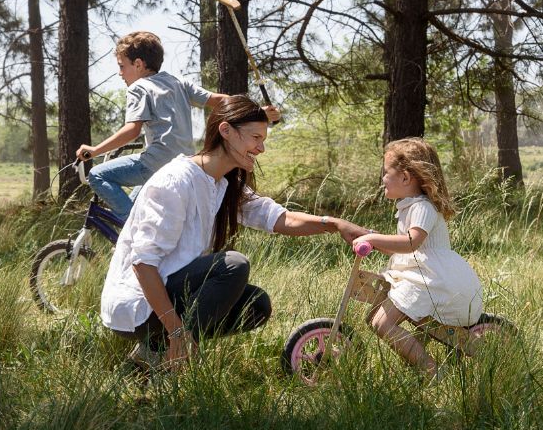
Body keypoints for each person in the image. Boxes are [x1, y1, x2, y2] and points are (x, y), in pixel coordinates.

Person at [99, 95, 367, 371]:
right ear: (226, 130)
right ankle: (171, 350)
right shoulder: (175, 181)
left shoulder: (223, 182)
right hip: (138, 304)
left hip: (168, 293)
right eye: (255, 138)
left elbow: (279, 218)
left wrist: (334, 224)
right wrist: (177, 332)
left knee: (256, 305)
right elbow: (143, 265)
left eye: (263, 140)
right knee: (233, 266)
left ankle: (150, 353)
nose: (261, 148)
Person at [77, 31, 278, 222]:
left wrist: (95, 151)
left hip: (156, 163)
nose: (120, 73)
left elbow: (133, 129)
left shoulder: (138, 88)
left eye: (122, 66)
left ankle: (131, 228)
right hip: (185, 163)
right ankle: (141, 225)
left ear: (138, 64)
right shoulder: (177, 81)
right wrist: (257, 109)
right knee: (140, 199)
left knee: (97, 174)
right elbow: (218, 100)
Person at [351, 138, 483, 378]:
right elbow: (401, 248)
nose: (382, 179)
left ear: (405, 178)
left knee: (382, 323)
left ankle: (431, 371)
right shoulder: (409, 206)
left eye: (386, 172)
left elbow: (412, 243)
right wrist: (370, 238)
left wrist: (374, 239)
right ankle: (423, 364)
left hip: (430, 281)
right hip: (420, 277)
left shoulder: (423, 207)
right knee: (378, 319)